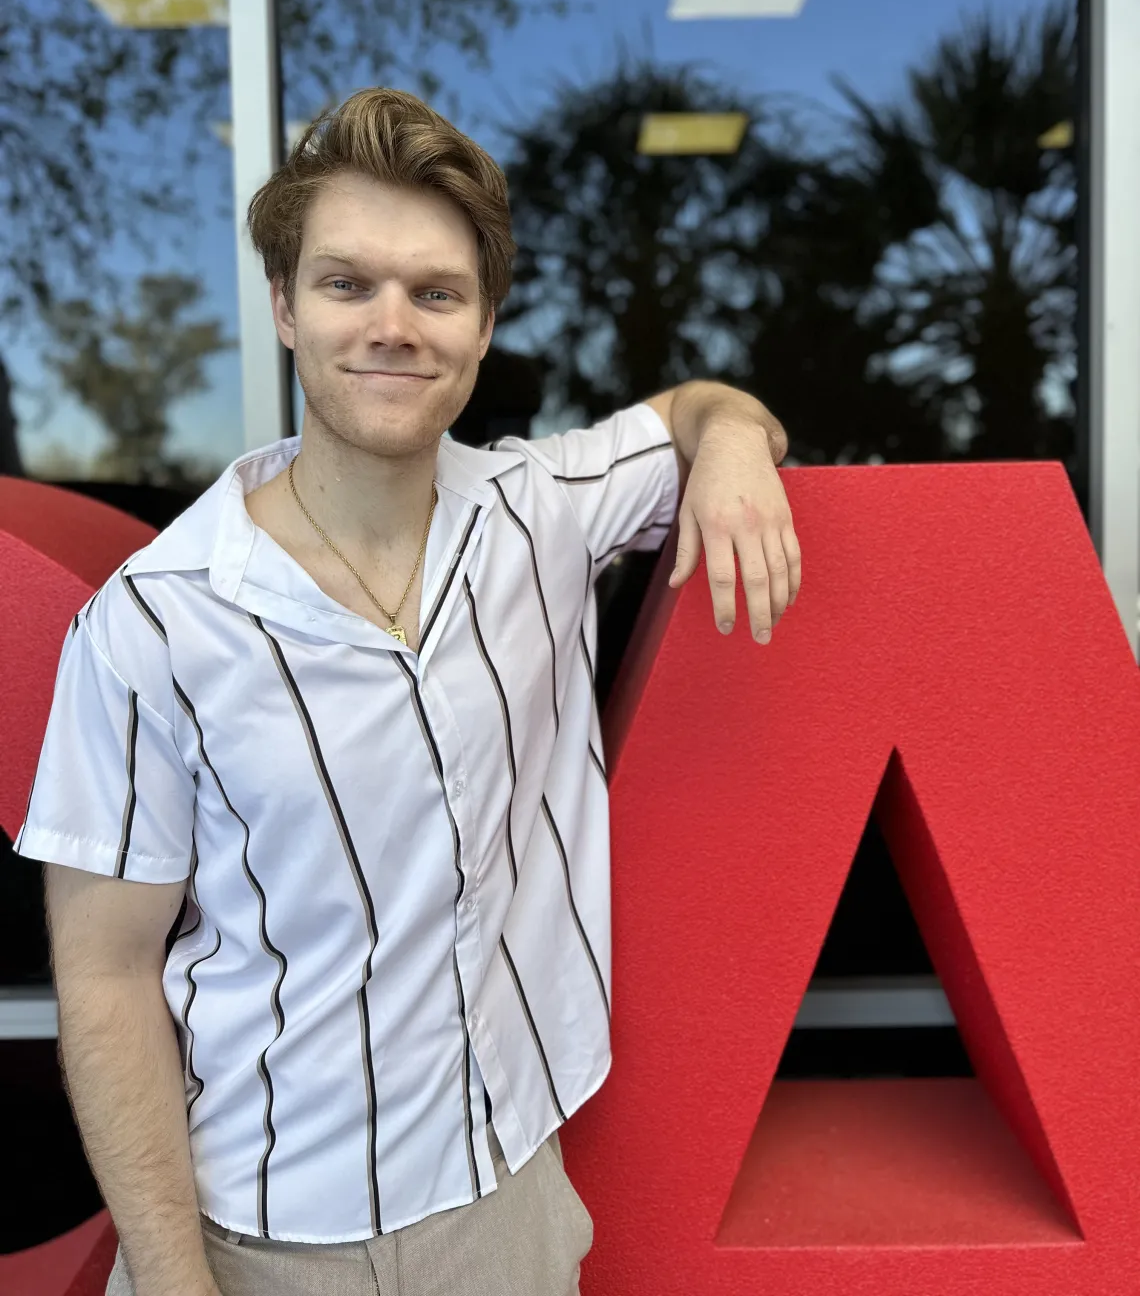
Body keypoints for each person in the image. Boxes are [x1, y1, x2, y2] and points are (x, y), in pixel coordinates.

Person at [14, 88, 801, 1296]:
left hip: (510, 1215)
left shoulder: (542, 512)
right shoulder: (151, 622)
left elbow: (702, 410)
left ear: (484, 327)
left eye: (436, 292)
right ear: (283, 306)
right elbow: (107, 976)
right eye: (346, 285)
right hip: (260, 1240)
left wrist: (739, 445)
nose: (393, 324)